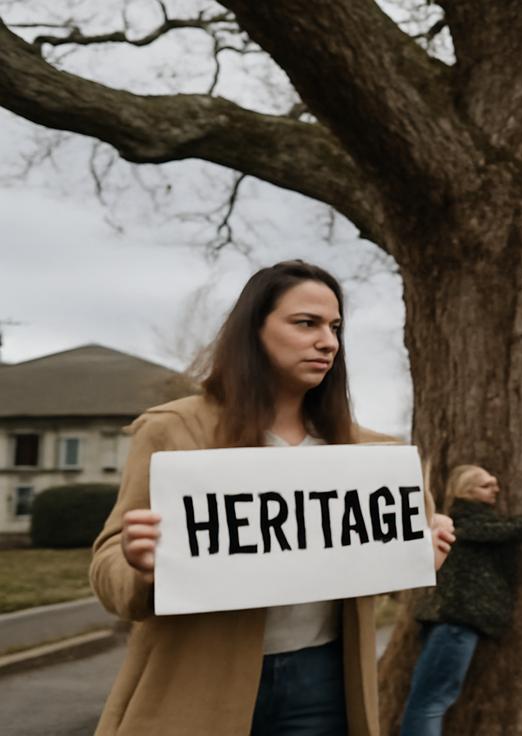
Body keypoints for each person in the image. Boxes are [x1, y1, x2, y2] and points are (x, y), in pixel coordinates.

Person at [90, 260, 457, 736]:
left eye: (335, 327)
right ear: (254, 330)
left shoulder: (372, 456)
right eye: (306, 323)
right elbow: (108, 570)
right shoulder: (175, 431)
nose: (328, 341)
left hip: (325, 683)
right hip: (196, 679)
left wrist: (422, 555)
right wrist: (138, 565)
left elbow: (385, 576)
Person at [399, 465, 522, 735]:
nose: (496, 489)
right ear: (466, 491)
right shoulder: (469, 524)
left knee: (428, 700)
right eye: (486, 485)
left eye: (495, 483)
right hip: (455, 626)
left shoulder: (471, 521)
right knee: (430, 703)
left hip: (452, 624)